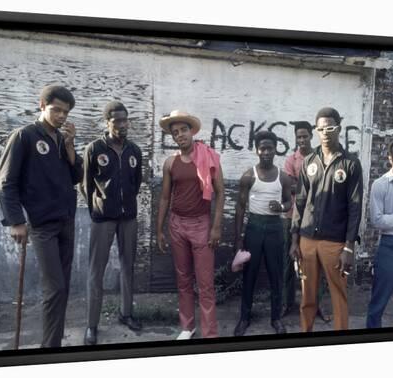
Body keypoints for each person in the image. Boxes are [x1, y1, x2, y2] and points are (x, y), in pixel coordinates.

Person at [0, 85, 83, 348]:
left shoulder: (61, 139)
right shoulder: (24, 136)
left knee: (63, 288)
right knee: (54, 288)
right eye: (56, 110)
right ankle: (49, 348)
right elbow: (4, 181)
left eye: (65, 112)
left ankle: (52, 343)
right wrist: (16, 221)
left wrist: (70, 147)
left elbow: (77, 177)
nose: (61, 116)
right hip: (42, 225)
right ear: (42, 105)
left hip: (67, 220)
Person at [290, 107, 363, 331]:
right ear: (316, 130)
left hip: (335, 242)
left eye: (330, 127)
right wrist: (294, 239)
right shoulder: (308, 161)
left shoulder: (350, 163)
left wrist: (349, 248)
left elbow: (355, 207)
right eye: (320, 128)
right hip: (307, 240)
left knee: (338, 295)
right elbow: (300, 202)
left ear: (338, 128)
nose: (325, 132)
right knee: (307, 295)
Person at [156, 110, 225, 339]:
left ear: (191, 131)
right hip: (177, 224)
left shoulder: (209, 156)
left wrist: (216, 227)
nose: (180, 135)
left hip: (201, 225)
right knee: (183, 279)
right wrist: (159, 229)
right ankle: (188, 327)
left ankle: (210, 333)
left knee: (205, 283)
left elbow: (221, 193)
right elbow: (165, 198)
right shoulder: (170, 163)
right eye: (175, 132)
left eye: (183, 130)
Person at [81, 101, 143, 345]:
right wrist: (98, 209)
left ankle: (126, 313)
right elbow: (85, 185)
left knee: (128, 267)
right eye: (117, 120)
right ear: (107, 122)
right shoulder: (94, 148)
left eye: (125, 120)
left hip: (128, 218)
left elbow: (136, 183)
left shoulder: (134, 150)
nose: (122, 125)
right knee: (96, 271)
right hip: (103, 219)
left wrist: (126, 203)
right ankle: (91, 325)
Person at [233, 130, 292, 336]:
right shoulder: (249, 175)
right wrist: (238, 237)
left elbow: (289, 202)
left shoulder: (283, 177)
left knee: (276, 275)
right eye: (262, 148)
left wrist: (282, 207)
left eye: (270, 148)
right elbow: (240, 207)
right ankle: (244, 318)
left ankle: (276, 318)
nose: (266, 152)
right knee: (250, 274)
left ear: (276, 149)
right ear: (257, 150)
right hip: (255, 227)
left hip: (275, 228)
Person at [282, 123, 330, 322]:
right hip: (292, 217)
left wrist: (301, 186)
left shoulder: (321, 157)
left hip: (317, 220)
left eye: (304, 136)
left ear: (312, 136)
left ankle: (316, 305)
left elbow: (326, 185)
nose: (301, 140)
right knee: (288, 264)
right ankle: (287, 303)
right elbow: (289, 187)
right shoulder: (291, 160)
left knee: (316, 265)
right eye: (298, 137)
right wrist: (309, 185)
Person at [367, 139, 393, 328]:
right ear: (389, 158)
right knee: (378, 304)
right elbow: (377, 220)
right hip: (391, 246)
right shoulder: (380, 184)